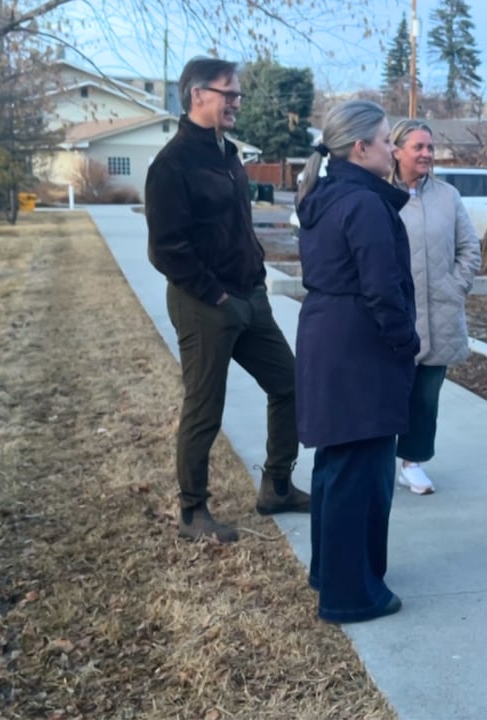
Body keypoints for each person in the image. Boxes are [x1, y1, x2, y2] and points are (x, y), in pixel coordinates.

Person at [145, 56, 309, 543]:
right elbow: (165, 250)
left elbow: (237, 225)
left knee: (290, 384)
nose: (236, 101)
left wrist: (253, 277)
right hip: (205, 303)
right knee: (204, 407)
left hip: (249, 296)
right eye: (228, 93)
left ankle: (277, 485)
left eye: (237, 93)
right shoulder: (172, 165)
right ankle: (193, 512)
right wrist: (214, 293)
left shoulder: (228, 153)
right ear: (197, 95)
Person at [294, 100, 419, 624]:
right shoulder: (363, 204)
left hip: (329, 337)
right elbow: (381, 287)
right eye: (388, 140)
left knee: (336, 465)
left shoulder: (325, 195)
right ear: (359, 147)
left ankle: (333, 570)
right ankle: (351, 593)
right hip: (358, 346)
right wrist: (403, 340)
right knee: (359, 470)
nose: (394, 150)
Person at [388, 119, 483, 495]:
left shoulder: (448, 195)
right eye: (418, 147)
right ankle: (381, 459)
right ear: (397, 151)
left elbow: (469, 247)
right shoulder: (379, 192)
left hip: (441, 310)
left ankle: (413, 463)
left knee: (426, 395)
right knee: (388, 391)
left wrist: (456, 285)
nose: (427, 154)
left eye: (430, 147)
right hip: (394, 312)